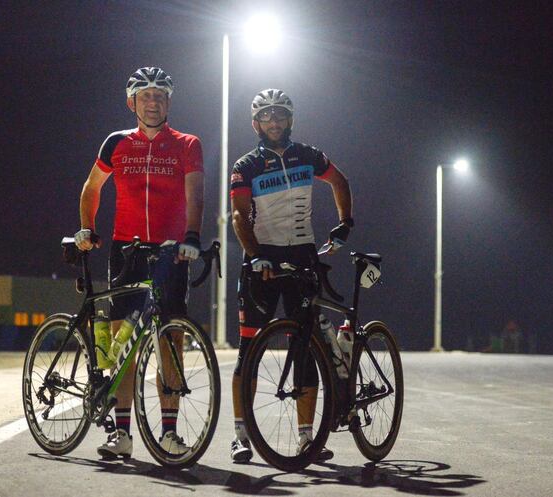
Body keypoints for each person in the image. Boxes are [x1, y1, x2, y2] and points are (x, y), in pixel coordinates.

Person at [74, 67, 205, 459]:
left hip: (170, 251)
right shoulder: (116, 143)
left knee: (171, 339)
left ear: (169, 102)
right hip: (125, 250)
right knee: (122, 344)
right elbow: (91, 188)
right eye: (146, 95)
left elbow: (195, 193)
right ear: (131, 102)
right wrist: (86, 228)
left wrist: (193, 237)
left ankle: (168, 433)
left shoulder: (187, 143)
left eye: (161, 95)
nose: (153, 102)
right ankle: (122, 433)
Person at [229, 88, 353, 463]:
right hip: (261, 257)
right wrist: (255, 256)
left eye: (280, 114)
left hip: (302, 253)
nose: (274, 121)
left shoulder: (308, 156)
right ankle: (240, 436)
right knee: (248, 348)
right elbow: (238, 215)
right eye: (266, 116)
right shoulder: (246, 164)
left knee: (304, 347)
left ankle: (306, 439)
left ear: (290, 119)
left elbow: (340, 182)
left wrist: (345, 223)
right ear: (255, 123)